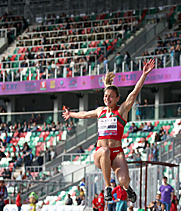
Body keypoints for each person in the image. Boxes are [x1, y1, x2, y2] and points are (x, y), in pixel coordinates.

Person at [62, 59, 155, 203]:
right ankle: (107, 187)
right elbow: (85, 114)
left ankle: (126, 187)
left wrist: (144, 75)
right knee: (105, 150)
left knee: (124, 180)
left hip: (117, 153)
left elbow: (134, 93)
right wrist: (71, 114)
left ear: (117, 98)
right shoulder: (100, 111)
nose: (107, 98)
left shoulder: (122, 110)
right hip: (101, 153)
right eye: (105, 96)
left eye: (111, 96)